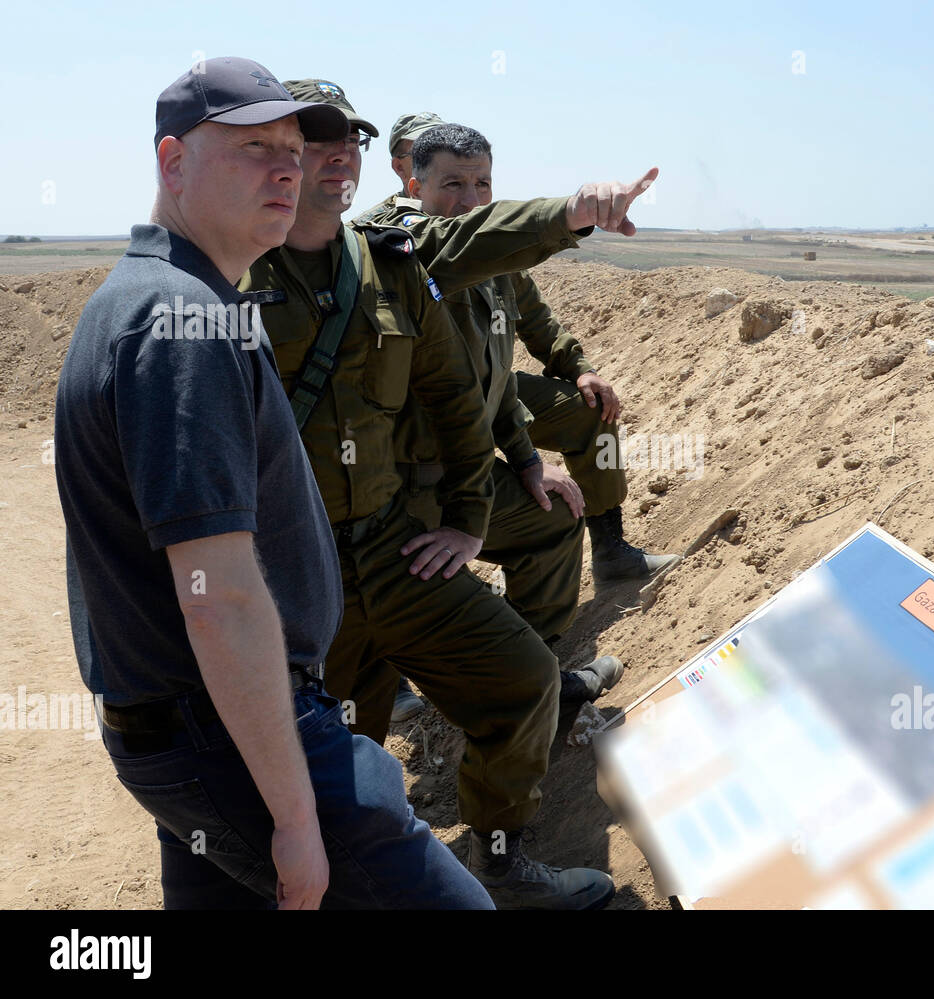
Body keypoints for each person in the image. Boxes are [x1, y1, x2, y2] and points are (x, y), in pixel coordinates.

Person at [54, 57, 492, 910]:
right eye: (255, 148)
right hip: (234, 740)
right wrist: (297, 816)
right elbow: (216, 594)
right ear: (173, 163)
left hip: (197, 734)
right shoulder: (181, 324)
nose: (288, 167)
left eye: (293, 146)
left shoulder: (160, 296)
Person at [238, 78, 650, 908]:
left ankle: (500, 859)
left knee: (523, 677)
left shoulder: (392, 263)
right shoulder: (226, 279)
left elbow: (466, 387)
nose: (328, 159)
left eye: (340, 143)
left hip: (396, 547)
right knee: (339, 747)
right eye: (302, 144)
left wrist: (573, 210)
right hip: (299, 575)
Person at [373, 122, 682, 591]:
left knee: (588, 412)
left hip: (492, 392)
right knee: (531, 511)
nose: (471, 195)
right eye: (452, 181)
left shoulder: (491, 238)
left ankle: (612, 551)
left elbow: (530, 314)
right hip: (430, 423)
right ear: (408, 173)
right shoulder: (391, 237)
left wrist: (578, 368)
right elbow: (459, 245)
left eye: (481, 183)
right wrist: (571, 212)